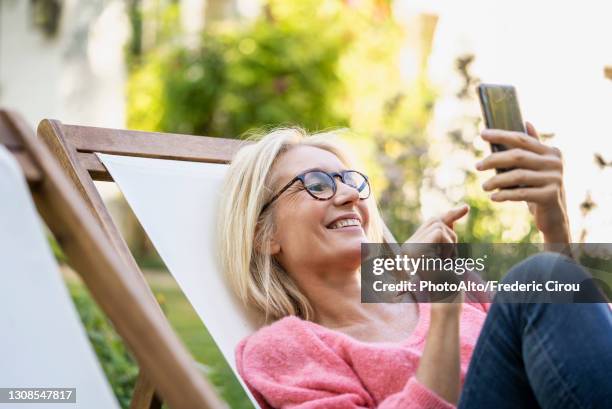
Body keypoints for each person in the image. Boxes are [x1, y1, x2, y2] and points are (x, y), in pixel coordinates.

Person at [217, 124, 612, 408]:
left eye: (351, 180)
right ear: (264, 236)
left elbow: (576, 358)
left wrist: (554, 224)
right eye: (317, 184)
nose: (351, 194)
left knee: (543, 278)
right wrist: (445, 310)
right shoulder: (283, 350)